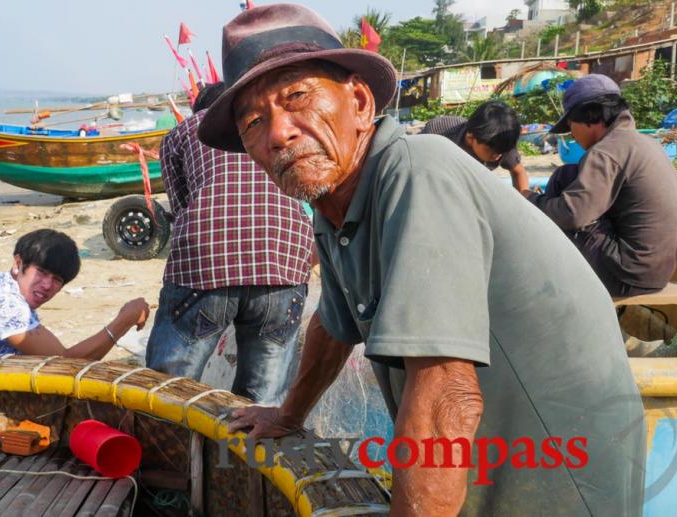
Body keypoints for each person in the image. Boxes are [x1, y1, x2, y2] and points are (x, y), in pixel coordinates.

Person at [196, 5, 644, 516]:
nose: (279, 133)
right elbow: (334, 324)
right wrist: (288, 415)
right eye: (254, 122)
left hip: (556, 464)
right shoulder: (334, 201)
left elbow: (444, 392)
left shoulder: (417, 168)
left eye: (297, 97)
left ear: (360, 102)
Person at [146, 82, 313, 405]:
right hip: (285, 261)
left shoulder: (184, 132)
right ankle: (249, 453)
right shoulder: (276, 124)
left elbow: (181, 208)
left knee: (170, 389)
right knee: (263, 399)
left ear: (202, 110)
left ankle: (165, 448)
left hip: (207, 263)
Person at [523, 74, 677, 297]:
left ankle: (541, 275)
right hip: (660, 270)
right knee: (567, 174)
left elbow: (572, 215)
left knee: (559, 212)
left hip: (626, 274)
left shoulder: (607, 152)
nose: (571, 133)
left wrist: (531, 199)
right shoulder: (645, 143)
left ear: (590, 116)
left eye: (571, 124)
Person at [0, 229, 149, 358]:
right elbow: (65, 365)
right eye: (41, 272)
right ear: (18, 263)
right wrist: (124, 320)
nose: (47, 285)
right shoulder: (5, 302)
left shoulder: (2, 285)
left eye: (57, 279)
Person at [420, 101, 530, 192]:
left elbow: (518, 172)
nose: (497, 156)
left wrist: (525, 200)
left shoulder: (501, 144)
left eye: (501, 151)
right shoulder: (439, 132)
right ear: (470, 137)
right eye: (491, 151)